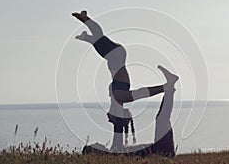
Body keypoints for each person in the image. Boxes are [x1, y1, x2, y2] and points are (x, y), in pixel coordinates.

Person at [72, 10, 178, 151]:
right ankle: (168, 87)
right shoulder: (118, 86)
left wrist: (118, 123)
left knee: (158, 117)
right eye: (94, 146)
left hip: (159, 149)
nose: (96, 143)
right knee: (160, 118)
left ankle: (168, 87)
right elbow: (138, 94)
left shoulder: (115, 150)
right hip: (161, 150)